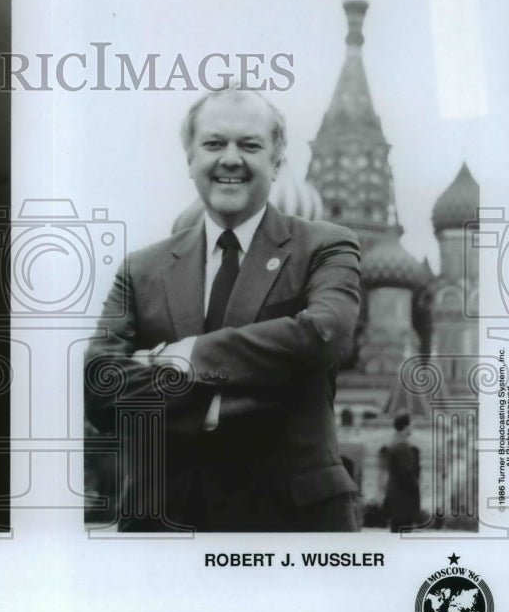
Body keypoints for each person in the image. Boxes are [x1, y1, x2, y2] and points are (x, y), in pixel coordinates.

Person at [85, 88, 362, 532]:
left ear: (276, 160)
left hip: (290, 529)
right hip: (164, 527)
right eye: (214, 144)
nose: (230, 159)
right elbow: (98, 386)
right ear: (189, 158)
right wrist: (259, 380)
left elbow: (322, 335)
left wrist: (184, 355)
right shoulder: (143, 268)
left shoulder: (324, 245)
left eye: (250, 145)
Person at [383, 412, 421, 532]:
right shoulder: (402, 446)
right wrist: (416, 490)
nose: (413, 427)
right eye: (412, 424)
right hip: (403, 500)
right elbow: (406, 474)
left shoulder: (394, 443)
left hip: (396, 497)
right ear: (406, 426)